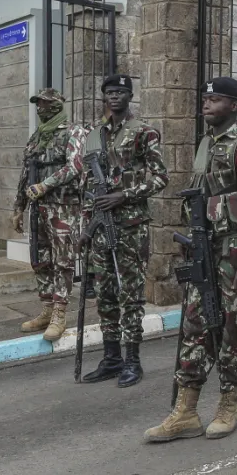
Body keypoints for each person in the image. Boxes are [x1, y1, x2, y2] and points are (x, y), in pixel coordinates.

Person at [145, 77, 237, 442]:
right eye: (205, 98)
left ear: (234, 106)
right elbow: (199, 199)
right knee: (194, 327)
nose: (206, 104)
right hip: (206, 250)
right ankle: (185, 411)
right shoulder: (206, 144)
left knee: (234, 328)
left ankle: (228, 404)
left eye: (214, 99)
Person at [72, 74, 168, 387]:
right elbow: (87, 184)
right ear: (104, 97)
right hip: (100, 227)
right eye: (110, 93)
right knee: (105, 294)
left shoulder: (143, 132)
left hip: (130, 226)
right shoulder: (94, 134)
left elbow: (160, 178)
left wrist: (124, 195)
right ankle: (111, 358)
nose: (115, 97)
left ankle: (133, 361)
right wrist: (86, 226)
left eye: (121, 93)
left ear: (129, 96)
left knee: (131, 295)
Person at [14, 88, 83, 343]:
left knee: (62, 261)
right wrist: (18, 207)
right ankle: (46, 309)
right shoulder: (36, 137)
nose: (40, 108)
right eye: (38, 103)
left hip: (64, 207)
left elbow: (75, 165)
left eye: (45, 103)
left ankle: (60, 313)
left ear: (57, 105)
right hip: (38, 209)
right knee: (40, 259)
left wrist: (47, 184)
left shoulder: (73, 132)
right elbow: (25, 173)